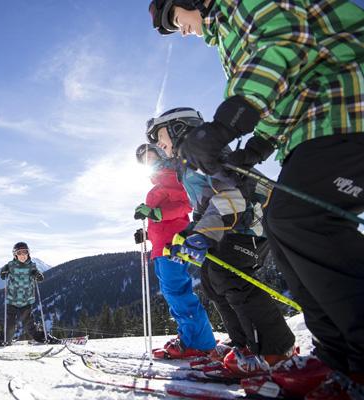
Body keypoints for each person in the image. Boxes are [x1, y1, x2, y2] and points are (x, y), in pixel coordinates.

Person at [148, 0, 364, 396]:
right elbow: (293, 90)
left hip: (349, 109)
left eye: (177, 19)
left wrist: (225, 126)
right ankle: (338, 360)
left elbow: (280, 48)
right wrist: (257, 148)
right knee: (285, 229)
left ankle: (308, 352)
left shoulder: (245, 6)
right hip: (315, 124)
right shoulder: (229, 35)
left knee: (303, 223)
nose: (181, 30)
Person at [145, 107, 296, 377]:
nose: (158, 143)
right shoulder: (188, 162)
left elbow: (231, 198)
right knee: (213, 280)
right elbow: (206, 207)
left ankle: (276, 350)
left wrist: (202, 235)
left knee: (230, 278)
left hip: (250, 227)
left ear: (179, 128)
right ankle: (244, 344)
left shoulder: (202, 152)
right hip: (230, 228)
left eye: (160, 135)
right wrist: (191, 233)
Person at [133, 143, 218, 359]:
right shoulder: (159, 182)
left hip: (174, 245)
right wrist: (147, 234)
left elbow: (186, 204)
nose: (148, 162)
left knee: (178, 293)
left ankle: (198, 343)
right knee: (174, 293)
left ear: (161, 155)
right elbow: (160, 221)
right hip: (162, 246)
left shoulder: (171, 175)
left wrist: (156, 213)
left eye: (151, 157)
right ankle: (190, 337)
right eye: (144, 162)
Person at [0, 242, 59, 347]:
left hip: (26, 302)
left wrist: (38, 275)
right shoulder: (10, 265)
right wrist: (3, 272)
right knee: (10, 326)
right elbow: (2, 274)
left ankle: (43, 337)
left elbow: (39, 276)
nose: (22, 255)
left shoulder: (32, 266)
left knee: (30, 326)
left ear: (28, 254)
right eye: (19, 253)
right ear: (15, 255)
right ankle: (3, 340)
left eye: (25, 252)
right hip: (12, 301)